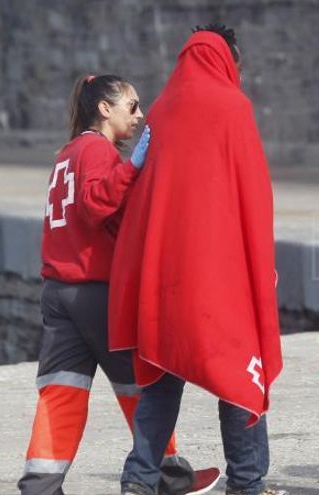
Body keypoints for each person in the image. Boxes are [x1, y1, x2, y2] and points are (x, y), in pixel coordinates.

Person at [19, 75, 219, 495]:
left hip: (58, 290)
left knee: (61, 391)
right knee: (145, 384)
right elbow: (96, 205)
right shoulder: (96, 150)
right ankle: (168, 474)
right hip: (96, 290)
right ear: (105, 108)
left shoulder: (67, 152)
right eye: (132, 105)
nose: (140, 114)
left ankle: (40, 485)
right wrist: (133, 169)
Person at [107, 25, 286, 495]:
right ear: (228, 62)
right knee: (237, 379)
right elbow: (253, 195)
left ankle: (139, 481)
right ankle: (247, 483)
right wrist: (260, 265)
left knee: (162, 383)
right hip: (221, 279)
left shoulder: (161, 112)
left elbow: (145, 203)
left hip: (165, 279)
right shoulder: (233, 107)